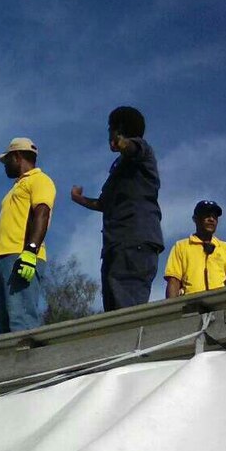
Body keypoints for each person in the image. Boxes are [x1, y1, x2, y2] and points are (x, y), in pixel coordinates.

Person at [71, 106, 163, 311]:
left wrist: (122, 142)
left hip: (134, 241)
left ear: (118, 129)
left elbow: (133, 148)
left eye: (110, 129)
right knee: (114, 309)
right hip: (117, 245)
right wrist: (79, 199)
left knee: (128, 309)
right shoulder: (119, 169)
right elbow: (104, 204)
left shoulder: (141, 151)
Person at [0, 137, 56, 335]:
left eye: (6, 160)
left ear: (16, 157)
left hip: (20, 257)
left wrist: (30, 252)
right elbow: (0, 234)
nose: (5, 166)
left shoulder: (40, 180)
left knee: (21, 319)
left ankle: (28, 365)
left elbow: (42, 213)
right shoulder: (12, 193)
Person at [164, 200, 226, 299]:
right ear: (195, 219)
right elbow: (173, 281)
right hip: (191, 306)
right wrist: (172, 311)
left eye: (215, 216)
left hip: (221, 305)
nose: (211, 219)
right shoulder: (181, 246)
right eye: (206, 215)